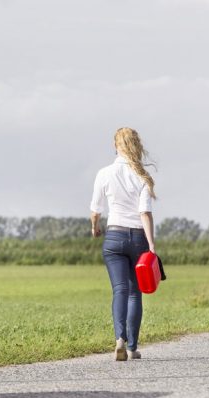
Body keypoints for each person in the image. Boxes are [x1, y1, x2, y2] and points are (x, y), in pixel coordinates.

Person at [90, 127, 156, 361]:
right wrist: (151, 246)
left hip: (114, 237)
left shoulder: (104, 173)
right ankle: (132, 347)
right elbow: (145, 213)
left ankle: (119, 338)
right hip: (138, 238)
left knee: (119, 290)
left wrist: (94, 227)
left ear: (115, 146)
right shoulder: (142, 175)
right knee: (134, 293)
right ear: (136, 146)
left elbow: (96, 210)